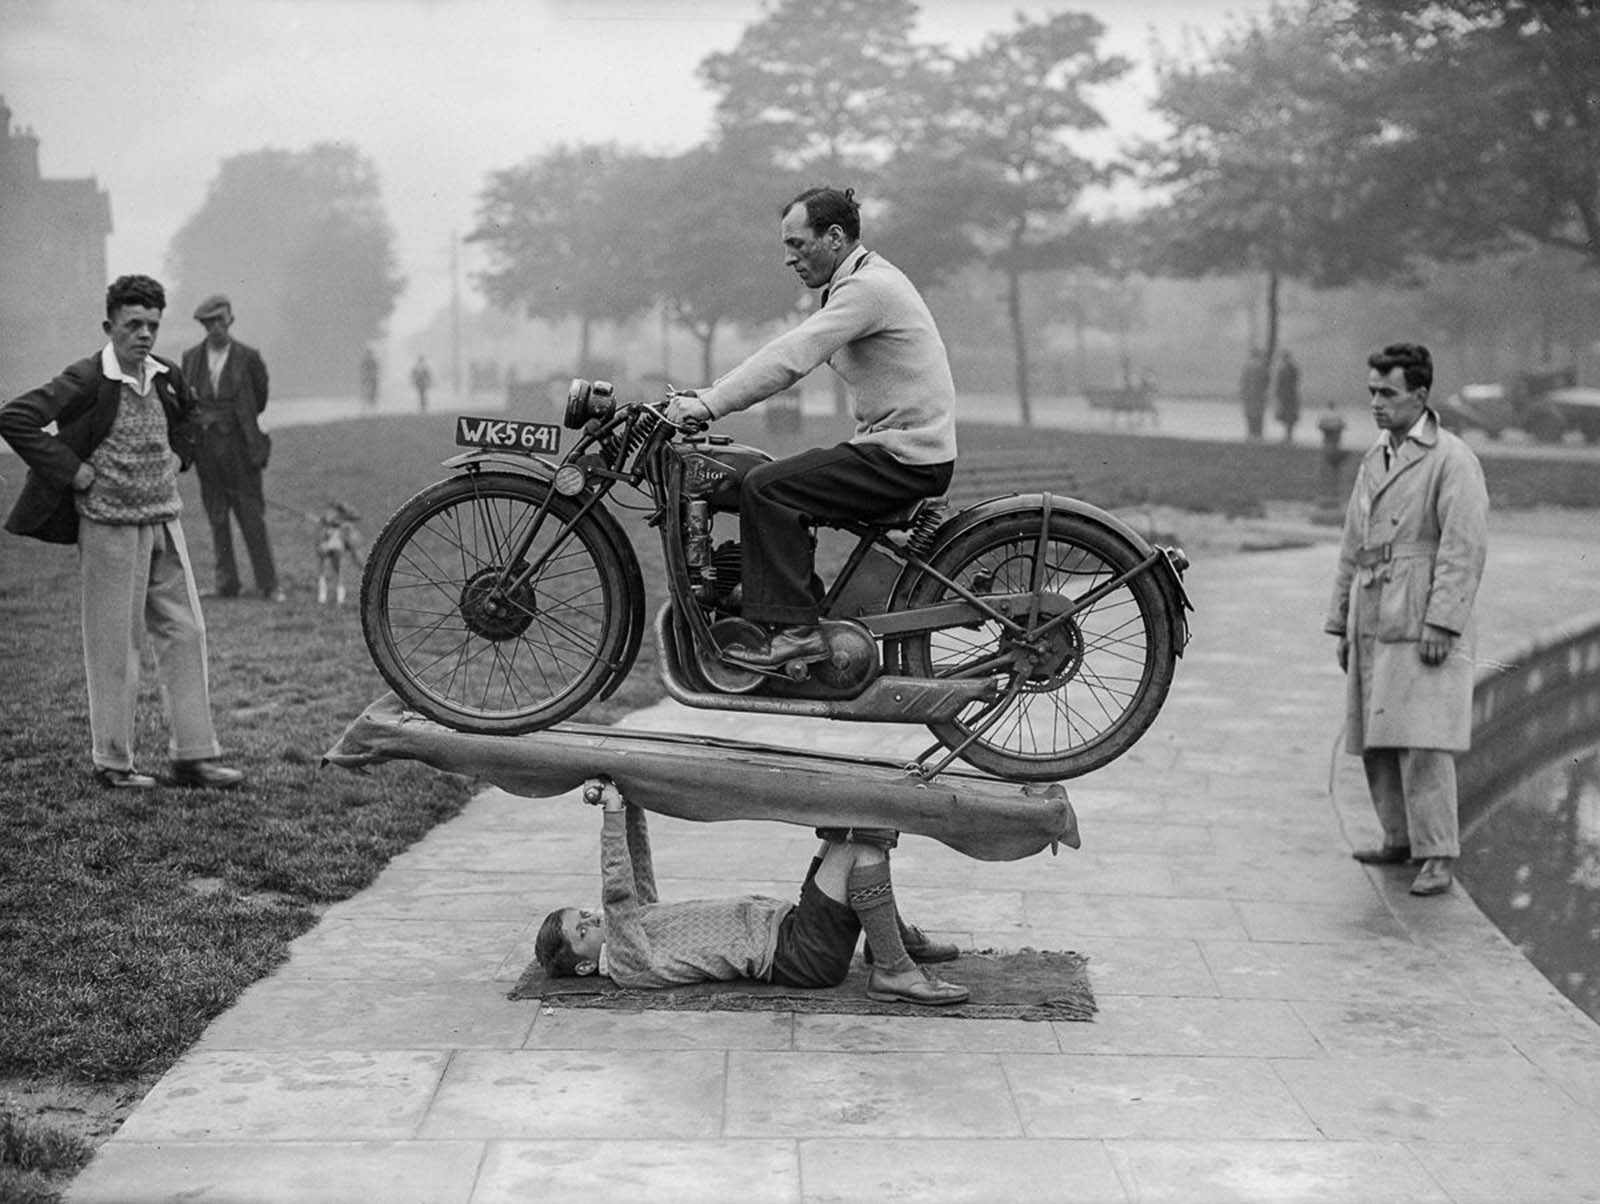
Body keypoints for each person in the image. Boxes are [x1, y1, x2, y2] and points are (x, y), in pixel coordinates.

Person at [664, 186, 956, 669]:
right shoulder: (861, 282)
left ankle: (795, 631)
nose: (787, 259)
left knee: (768, 488)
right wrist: (705, 395)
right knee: (767, 479)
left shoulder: (868, 289)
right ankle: (779, 607)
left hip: (904, 456)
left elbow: (792, 357)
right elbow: (788, 351)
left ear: (835, 237)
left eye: (797, 244)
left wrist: (710, 404)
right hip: (903, 451)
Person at [0, 275, 246, 791]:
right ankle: (114, 764)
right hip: (109, 528)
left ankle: (194, 758)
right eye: (133, 324)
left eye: (152, 324)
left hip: (163, 522)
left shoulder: (166, 376)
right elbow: (16, 417)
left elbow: (192, 415)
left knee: (188, 633)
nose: (144, 334)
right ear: (109, 326)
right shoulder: (88, 377)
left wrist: (181, 453)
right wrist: (72, 470)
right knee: (115, 645)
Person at [536, 779, 968, 1005]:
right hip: (800, 956)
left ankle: (887, 941)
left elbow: (635, 870)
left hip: (792, 929)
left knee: (854, 825)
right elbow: (617, 895)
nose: (594, 920)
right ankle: (893, 968)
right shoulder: (627, 963)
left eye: (584, 913)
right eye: (582, 930)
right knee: (862, 848)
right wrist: (610, 817)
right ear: (582, 966)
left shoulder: (636, 930)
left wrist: (630, 800)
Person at [1324, 342, 1488, 896]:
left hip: (1419, 612)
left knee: (1425, 739)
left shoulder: (1451, 458)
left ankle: (1438, 853)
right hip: (1372, 608)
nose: (1376, 402)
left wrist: (1443, 623)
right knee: (1375, 735)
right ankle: (1398, 837)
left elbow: (1463, 548)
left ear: (1420, 394)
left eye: (1387, 393)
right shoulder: (1377, 456)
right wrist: (1339, 616)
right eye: (1372, 391)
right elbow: (1354, 541)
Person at [179, 294, 281, 602]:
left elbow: (260, 399)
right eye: (208, 323)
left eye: (219, 321)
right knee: (217, 515)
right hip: (206, 450)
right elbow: (187, 402)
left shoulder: (249, 357)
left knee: (251, 514)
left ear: (230, 320)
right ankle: (227, 584)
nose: (214, 328)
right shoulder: (191, 358)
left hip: (241, 447)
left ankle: (268, 585)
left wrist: (237, 420)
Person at [1239, 347, 1269, 440]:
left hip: (1249, 395)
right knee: (1258, 415)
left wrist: (1243, 393)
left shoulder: (1247, 366)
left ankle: (1250, 433)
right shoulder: (1262, 366)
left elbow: (1243, 381)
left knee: (1250, 415)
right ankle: (1258, 434)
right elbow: (1267, 380)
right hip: (1259, 395)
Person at [1274, 350, 1301, 443]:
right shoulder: (1293, 368)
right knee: (1289, 417)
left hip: (1286, 396)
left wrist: (1278, 394)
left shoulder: (1284, 369)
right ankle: (1288, 435)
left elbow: (1280, 383)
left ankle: (1288, 435)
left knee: (1287, 416)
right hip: (1290, 396)